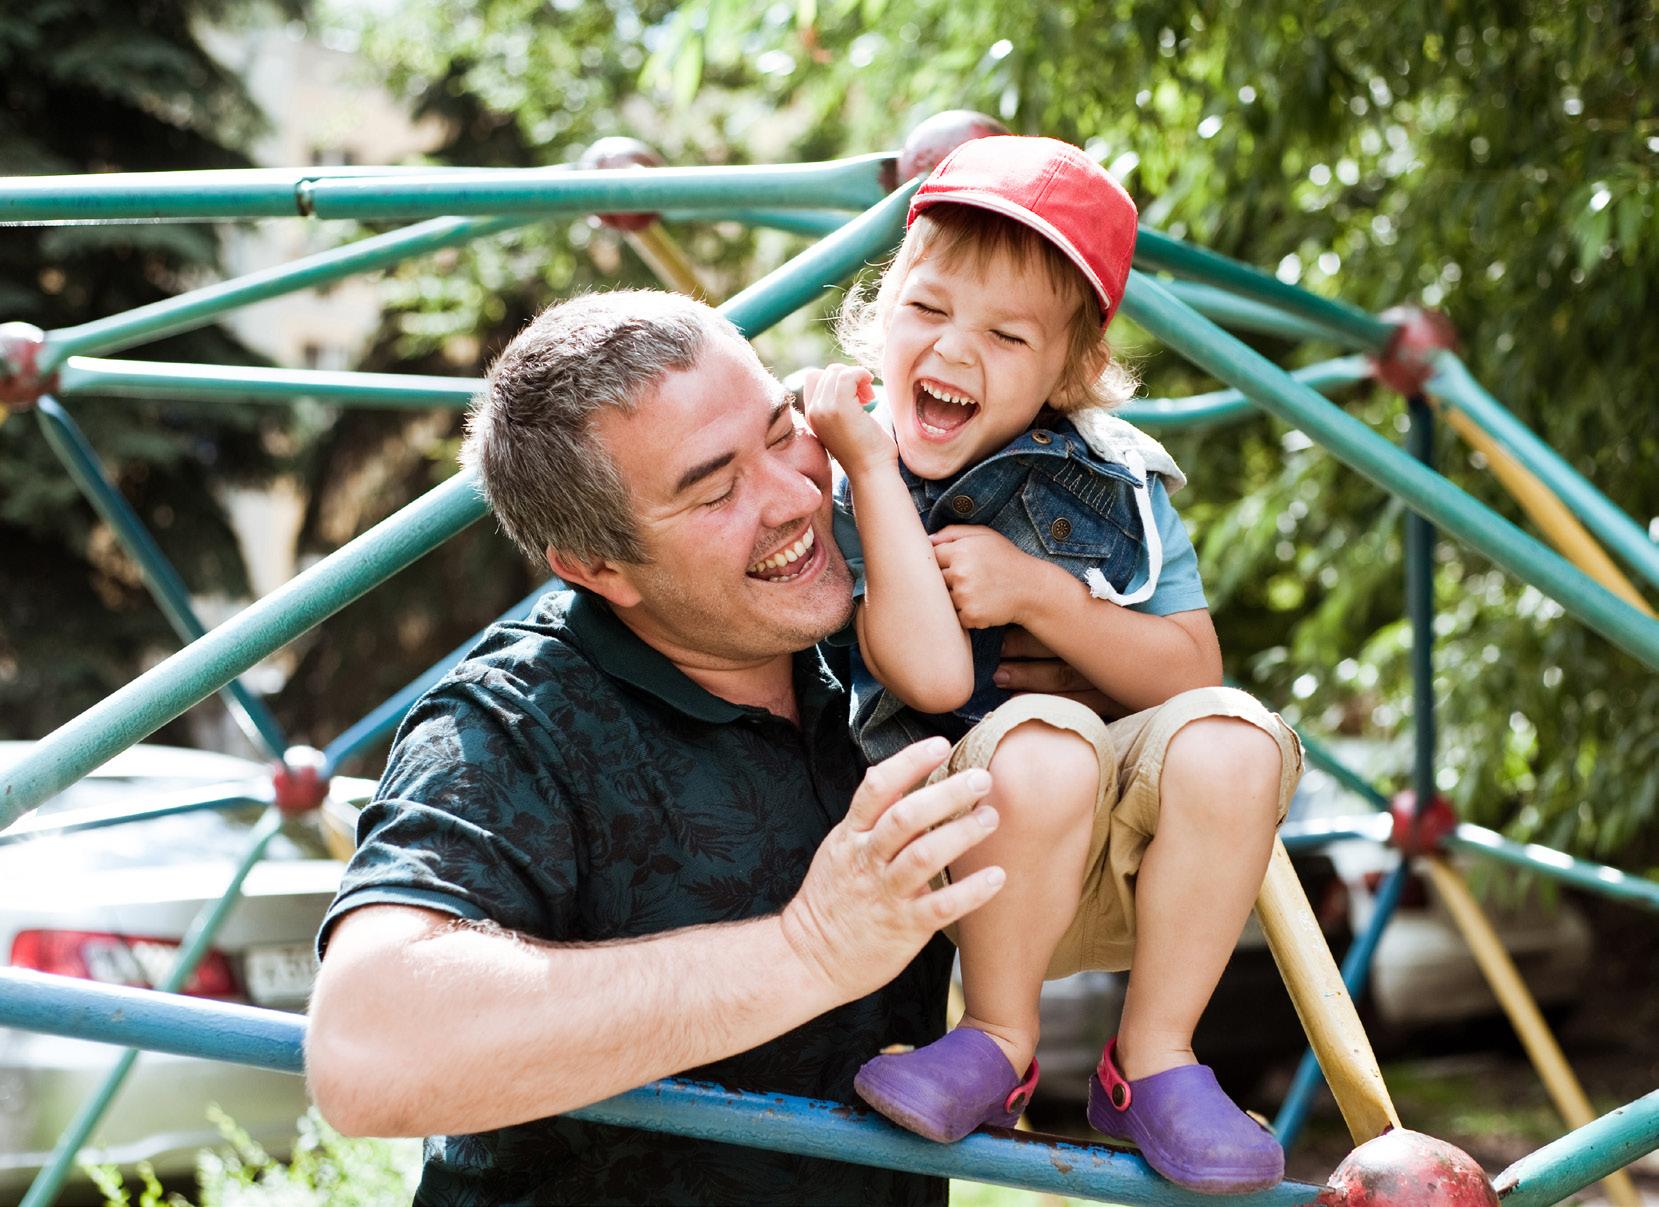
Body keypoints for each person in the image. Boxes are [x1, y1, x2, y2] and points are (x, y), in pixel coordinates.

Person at [305, 289, 1033, 1206]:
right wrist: (805, 951)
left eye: (781, 432)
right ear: (595, 566)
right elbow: (366, 1048)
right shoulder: (513, 720)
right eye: (716, 489)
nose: (796, 496)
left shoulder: (894, 639)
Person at [802, 135, 1300, 1194]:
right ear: (880, 314)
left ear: (1069, 370)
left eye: (1005, 333)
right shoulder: (847, 469)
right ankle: (996, 1039)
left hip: (1129, 868)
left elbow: (1193, 670)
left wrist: (1044, 597)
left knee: (1236, 737)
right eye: (927, 308)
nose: (954, 349)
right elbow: (934, 681)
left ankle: (1154, 1058)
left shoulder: (1113, 481)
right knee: (1050, 741)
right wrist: (873, 473)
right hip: (951, 859)